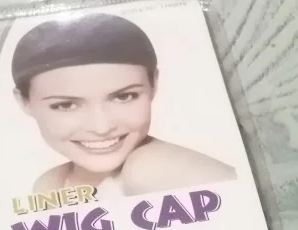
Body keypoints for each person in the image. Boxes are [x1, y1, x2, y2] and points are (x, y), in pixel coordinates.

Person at [12, 12, 236, 197]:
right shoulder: (51, 184)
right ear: (24, 101)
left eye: (124, 97)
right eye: (66, 105)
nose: (101, 127)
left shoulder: (149, 169)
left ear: (153, 84)